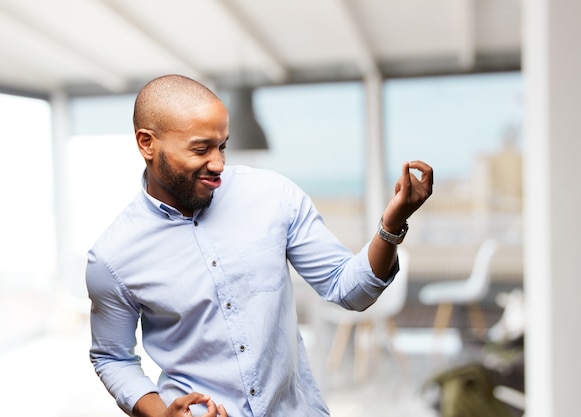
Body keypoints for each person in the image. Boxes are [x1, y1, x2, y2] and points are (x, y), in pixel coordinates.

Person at [86, 74, 433, 417]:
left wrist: (391, 224)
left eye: (222, 146)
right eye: (200, 149)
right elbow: (112, 357)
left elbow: (350, 290)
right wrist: (161, 415)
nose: (218, 164)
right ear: (147, 143)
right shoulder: (112, 257)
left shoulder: (274, 197)